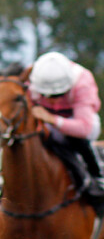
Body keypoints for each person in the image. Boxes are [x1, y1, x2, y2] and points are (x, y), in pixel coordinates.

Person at [29, 52, 104, 199]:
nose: (52, 101)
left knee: (71, 137)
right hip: (46, 125)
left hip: (81, 126)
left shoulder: (83, 80)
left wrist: (51, 119)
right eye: (46, 95)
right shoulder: (31, 79)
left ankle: (97, 177)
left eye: (58, 95)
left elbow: (84, 128)